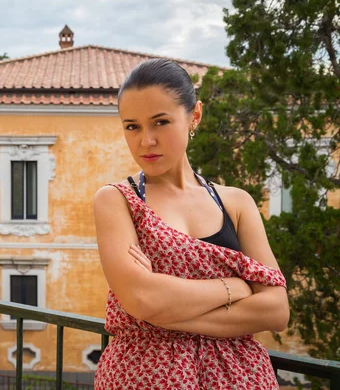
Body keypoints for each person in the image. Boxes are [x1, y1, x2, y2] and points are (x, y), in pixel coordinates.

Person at [93, 58, 289, 389]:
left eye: (160, 122)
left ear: (194, 116)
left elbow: (275, 311)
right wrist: (235, 287)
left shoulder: (236, 203)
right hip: (142, 378)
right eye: (132, 126)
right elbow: (143, 299)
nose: (146, 141)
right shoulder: (117, 200)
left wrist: (162, 315)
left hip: (241, 378)